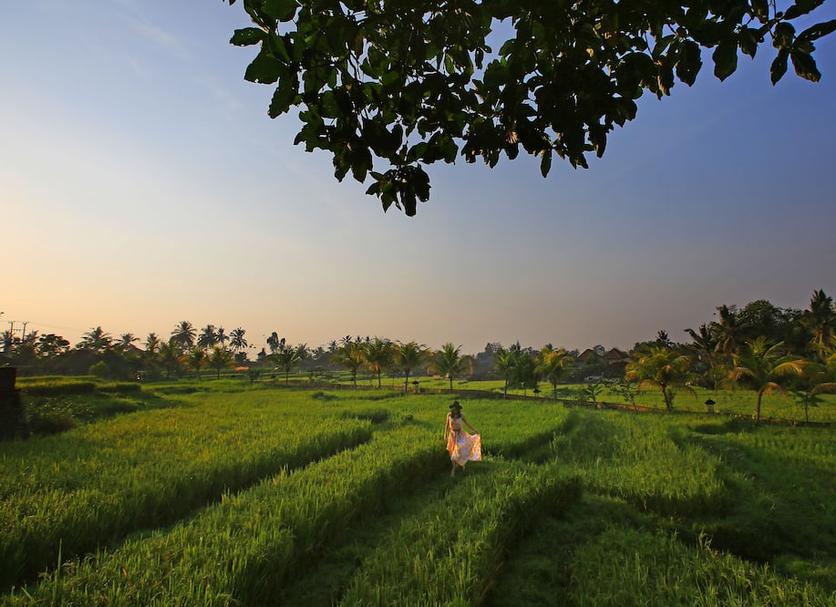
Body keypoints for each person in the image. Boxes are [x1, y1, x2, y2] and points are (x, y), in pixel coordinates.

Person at [445, 401, 481, 477]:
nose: (454, 409)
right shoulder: (449, 415)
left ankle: (454, 470)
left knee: (458, 451)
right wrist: (445, 434)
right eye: (453, 408)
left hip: (460, 434)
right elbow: (447, 426)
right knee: (451, 453)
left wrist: (475, 430)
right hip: (452, 436)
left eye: (456, 408)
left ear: (458, 409)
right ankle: (460, 465)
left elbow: (468, 424)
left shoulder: (461, 416)